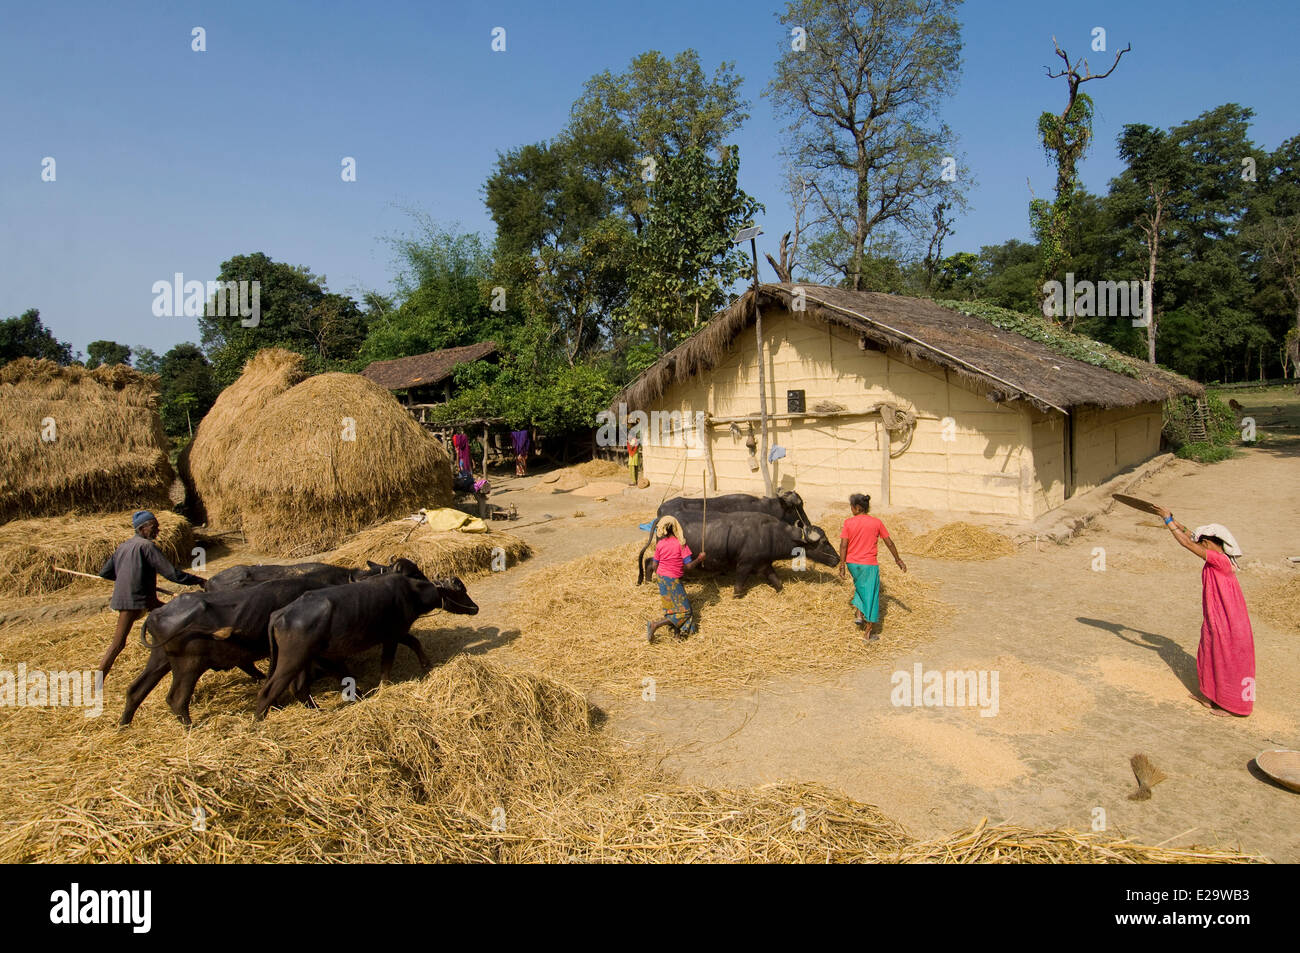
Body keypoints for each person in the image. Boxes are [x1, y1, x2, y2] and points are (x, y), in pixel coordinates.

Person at [1154, 506, 1255, 717]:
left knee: (1227, 658)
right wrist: (1174, 520)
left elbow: (1188, 543)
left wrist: (1166, 521)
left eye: (1204, 544)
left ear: (1210, 543)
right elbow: (1193, 536)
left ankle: (1230, 706)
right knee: (1210, 652)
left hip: (1228, 619)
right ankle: (1211, 696)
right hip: (1217, 615)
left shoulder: (1218, 560)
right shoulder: (1221, 555)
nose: (1202, 546)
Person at [97, 511, 206, 679]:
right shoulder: (147, 546)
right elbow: (172, 574)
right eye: (154, 527)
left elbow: (106, 572)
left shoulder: (123, 546)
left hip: (143, 599)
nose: (158, 530)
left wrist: (132, 577)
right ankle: (97, 681)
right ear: (142, 528)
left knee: (176, 617)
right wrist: (198, 580)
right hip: (134, 601)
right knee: (117, 644)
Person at [838, 493, 906, 641]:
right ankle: (868, 633)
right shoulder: (876, 523)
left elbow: (844, 545)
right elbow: (889, 542)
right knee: (872, 596)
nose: (850, 509)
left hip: (852, 564)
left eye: (851, 506)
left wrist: (842, 564)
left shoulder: (848, 523)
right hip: (869, 565)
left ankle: (858, 614)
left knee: (861, 587)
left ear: (857, 508)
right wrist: (898, 559)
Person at [646, 515, 706, 643]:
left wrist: (661, 575)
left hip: (662, 578)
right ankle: (655, 625)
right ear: (675, 528)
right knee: (685, 611)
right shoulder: (681, 544)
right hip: (673, 579)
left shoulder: (660, 544)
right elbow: (689, 566)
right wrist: (699, 559)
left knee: (672, 608)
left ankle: (677, 635)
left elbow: (654, 564)